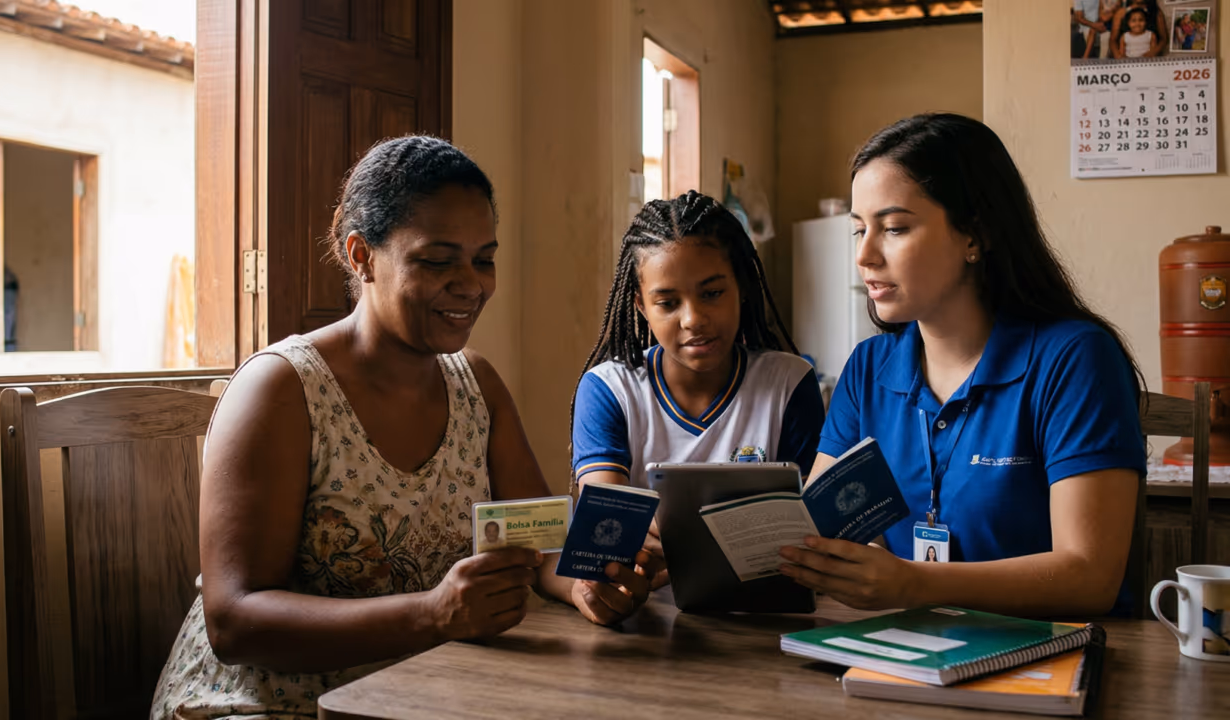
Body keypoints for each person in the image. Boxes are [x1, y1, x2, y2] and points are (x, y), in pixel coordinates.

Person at [151, 136, 653, 718]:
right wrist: (434, 613)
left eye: (484, 258)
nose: (471, 284)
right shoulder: (283, 390)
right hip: (266, 704)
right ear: (361, 255)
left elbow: (537, 546)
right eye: (438, 260)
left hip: (419, 691)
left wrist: (586, 586)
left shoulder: (476, 387)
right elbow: (235, 622)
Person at [778, 114, 1146, 618]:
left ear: (976, 234)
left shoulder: (1075, 358)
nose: (864, 255)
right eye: (859, 230)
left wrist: (913, 583)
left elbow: (1090, 576)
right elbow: (822, 529)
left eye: (894, 228)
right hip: (907, 650)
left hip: (1052, 660)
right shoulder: (867, 368)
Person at [571, 190, 825, 588]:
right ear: (640, 306)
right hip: (647, 616)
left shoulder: (789, 383)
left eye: (711, 293)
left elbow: (810, 529)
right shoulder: (609, 389)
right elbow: (610, 524)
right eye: (668, 303)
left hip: (765, 613)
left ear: (741, 285)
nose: (693, 319)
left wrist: (669, 544)